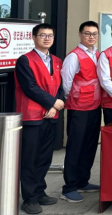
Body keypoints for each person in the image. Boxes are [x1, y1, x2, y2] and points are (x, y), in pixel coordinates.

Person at [15, 24, 65, 215]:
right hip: (32, 116)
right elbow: (30, 87)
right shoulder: (25, 60)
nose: (47, 38)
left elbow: (60, 86)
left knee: (44, 157)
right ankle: (29, 198)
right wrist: (52, 103)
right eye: (42, 35)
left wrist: (56, 104)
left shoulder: (57, 61)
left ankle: (39, 191)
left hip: (51, 115)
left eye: (50, 35)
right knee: (30, 158)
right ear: (34, 37)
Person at [60, 21, 102, 203]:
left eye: (94, 34)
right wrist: (72, 100)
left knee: (90, 145)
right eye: (87, 33)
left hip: (95, 106)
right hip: (78, 108)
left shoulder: (98, 54)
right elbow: (66, 84)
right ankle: (69, 187)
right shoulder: (73, 56)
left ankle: (83, 181)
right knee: (75, 147)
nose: (91, 37)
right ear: (80, 34)